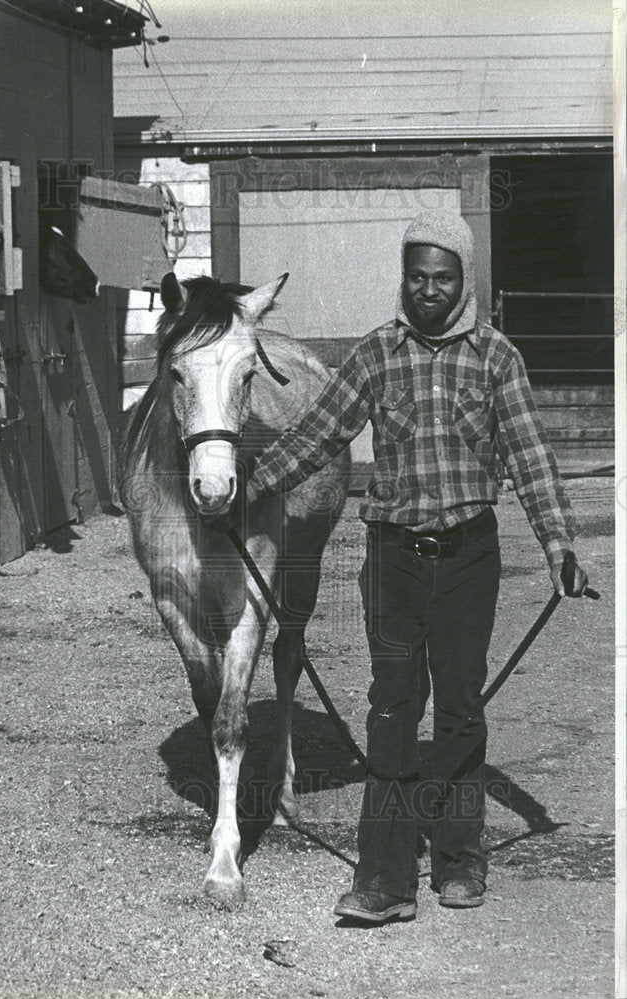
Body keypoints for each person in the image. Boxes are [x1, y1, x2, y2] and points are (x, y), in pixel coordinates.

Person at [209, 210, 589, 922]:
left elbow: (532, 456)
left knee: (460, 708)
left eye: (442, 278)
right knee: (392, 709)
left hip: (471, 556)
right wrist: (247, 490)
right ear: (404, 278)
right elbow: (317, 434)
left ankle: (458, 859)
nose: (428, 290)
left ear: (463, 281)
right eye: (416, 276)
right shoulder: (377, 353)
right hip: (393, 557)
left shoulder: (497, 357)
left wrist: (560, 546)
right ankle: (384, 880)